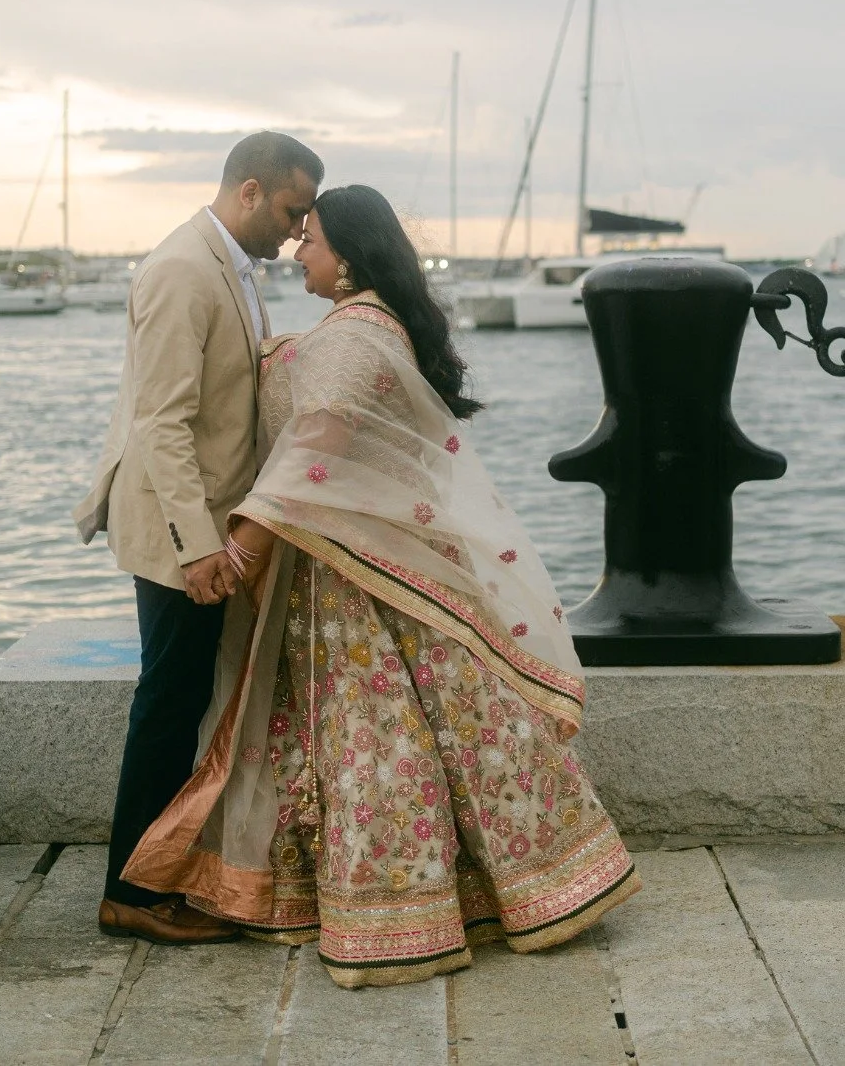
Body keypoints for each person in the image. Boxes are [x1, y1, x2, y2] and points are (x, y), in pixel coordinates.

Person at [122, 184, 641, 986]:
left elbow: (314, 450)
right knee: (387, 734)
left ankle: (399, 916)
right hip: (356, 560)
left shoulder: (357, 336)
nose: (300, 249)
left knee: (374, 736)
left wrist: (242, 543)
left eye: (314, 240)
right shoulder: (363, 326)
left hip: (355, 581)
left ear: (352, 258)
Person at [74, 130, 324, 945]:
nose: (296, 230)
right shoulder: (184, 269)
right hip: (178, 528)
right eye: (291, 210)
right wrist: (197, 546)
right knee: (169, 702)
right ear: (249, 189)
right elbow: (164, 424)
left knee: (181, 698)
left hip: (208, 521)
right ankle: (130, 894)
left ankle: (156, 875)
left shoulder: (234, 269)